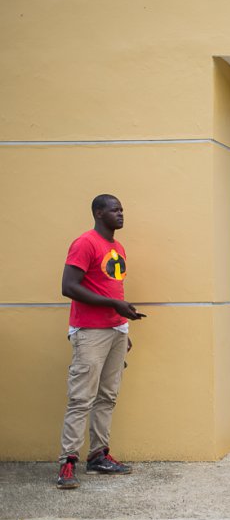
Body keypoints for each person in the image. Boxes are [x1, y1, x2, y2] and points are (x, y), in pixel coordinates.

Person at [56, 194, 146, 490]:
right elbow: (68, 287)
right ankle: (68, 462)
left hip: (115, 332)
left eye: (122, 209)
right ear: (98, 213)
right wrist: (114, 306)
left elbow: (110, 288)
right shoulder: (85, 243)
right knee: (81, 398)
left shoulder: (116, 247)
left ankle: (98, 456)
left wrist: (122, 323)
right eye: (115, 209)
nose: (121, 214)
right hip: (90, 332)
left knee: (107, 396)